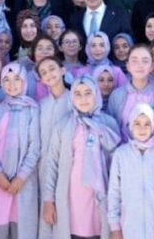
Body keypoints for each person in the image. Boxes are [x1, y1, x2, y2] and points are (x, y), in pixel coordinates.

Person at [41, 76, 120, 239]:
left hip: (100, 196)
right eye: (78, 94)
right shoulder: (63, 125)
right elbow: (52, 165)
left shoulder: (108, 123)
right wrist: (48, 200)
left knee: (100, 231)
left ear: (96, 94)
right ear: (72, 98)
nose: (83, 99)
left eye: (88, 93)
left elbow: (118, 166)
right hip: (71, 197)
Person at [0, 63, 41, 239]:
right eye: (6, 80)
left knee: (21, 229)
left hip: (24, 181)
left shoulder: (32, 109)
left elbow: (35, 147)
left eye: (17, 79)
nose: (12, 84)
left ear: (24, 82)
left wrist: (21, 177)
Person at [106, 104, 154, 238]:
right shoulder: (121, 154)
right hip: (128, 227)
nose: (142, 129)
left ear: (153, 126)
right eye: (137, 124)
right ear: (131, 126)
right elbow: (114, 191)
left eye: (147, 124)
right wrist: (115, 226)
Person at [107, 45, 154, 131]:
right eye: (134, 61)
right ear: (128, 66)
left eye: (145, 61)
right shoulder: (117, 95)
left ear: (152, 66)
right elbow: (111, 128)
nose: (140, 65)